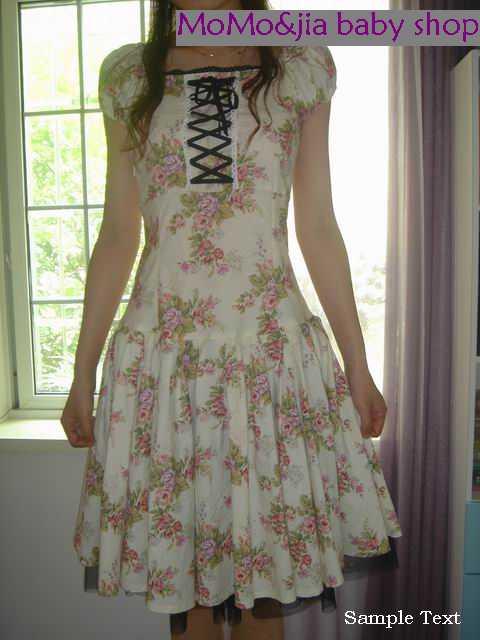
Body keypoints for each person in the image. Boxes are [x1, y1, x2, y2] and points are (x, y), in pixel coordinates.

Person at [62, 1, 403, 638]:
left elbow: (318, 225)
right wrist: (82, 374)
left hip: (268, 360)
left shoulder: (298, 65)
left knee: (264, 583)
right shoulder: (130, 76)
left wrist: (358, 368)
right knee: (184, 583)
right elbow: (118, 233)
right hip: (166, 363)